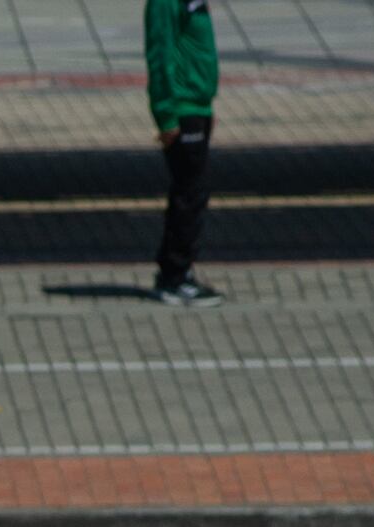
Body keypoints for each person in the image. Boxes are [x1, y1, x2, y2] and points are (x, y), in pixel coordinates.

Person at [148, 0, 220, 305]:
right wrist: (166, 114)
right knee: (189, 192)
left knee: (193, 192)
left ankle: (177, 271)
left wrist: (206, 104)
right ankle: (174, 277)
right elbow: (159, 53)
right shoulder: (166, 3)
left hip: (197, 105)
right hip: (181, 108)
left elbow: (197, 50)